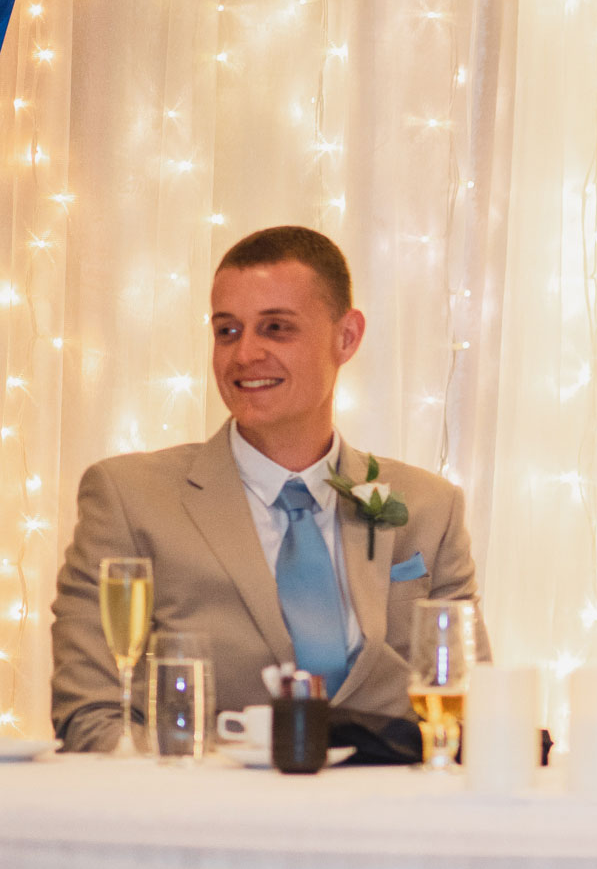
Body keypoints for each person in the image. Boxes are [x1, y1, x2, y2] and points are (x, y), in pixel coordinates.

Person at [50, 227, 483, 752]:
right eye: (227, 331)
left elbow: (472, 713)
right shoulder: (127, 497)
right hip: (206, 819)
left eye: (276, 328)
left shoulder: (429, 508)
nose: (245, 354)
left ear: (346, 337)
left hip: (389, 820)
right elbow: (92, 717)